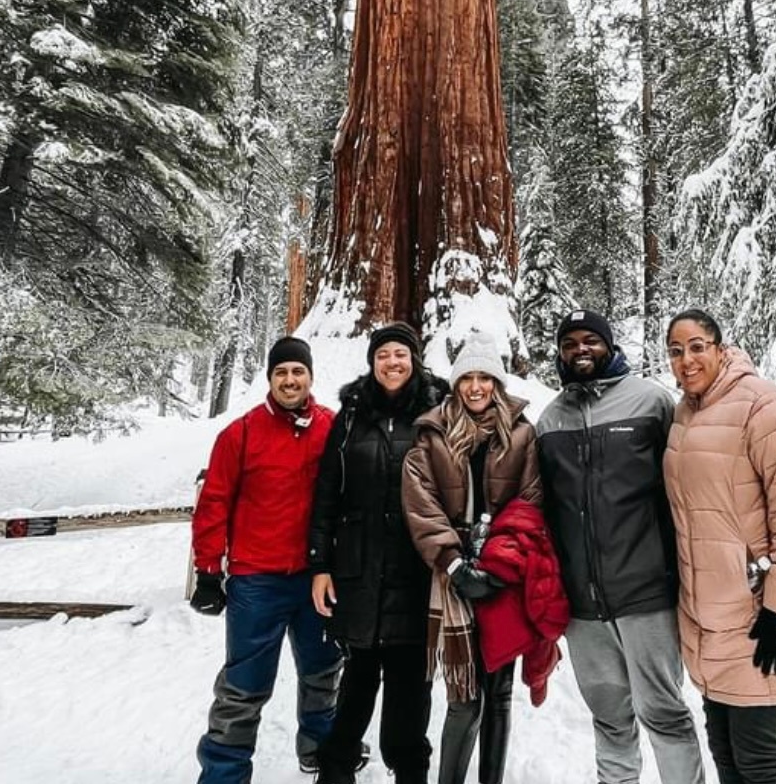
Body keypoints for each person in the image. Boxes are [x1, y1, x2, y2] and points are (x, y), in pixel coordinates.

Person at [663, 309, 776, 784]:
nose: (687, 359)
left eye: (697, 346)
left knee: (760, 761)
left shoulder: (765, 407)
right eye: (676, 351)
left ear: (720, 348)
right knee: (726, 755)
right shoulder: (683, 414)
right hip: (711, 620)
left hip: (762, 616)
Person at [535, 309, 705, 784]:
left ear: (609, 345)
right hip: (583, 607)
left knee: (664, 712)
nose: (580, 349)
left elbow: (688, 486)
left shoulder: (652, 402)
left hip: (646, 594)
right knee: (609, 719)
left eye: (591, 340)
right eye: (570, 343)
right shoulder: (550, 420)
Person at [191, 336, 342, 784]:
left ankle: (319, 747)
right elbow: (214, 503)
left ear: (310, 377)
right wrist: (206, 570)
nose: (290, 379)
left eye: (298, 371)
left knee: (323, 671)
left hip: (316, 579)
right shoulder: (240, 433)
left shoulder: (332, 429)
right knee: (244, 683)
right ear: (270, 379)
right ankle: (224, 770)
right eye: (281, 372)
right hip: (257, 581)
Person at [402, 331, 549, 784]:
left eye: (486, 377)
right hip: (452, 575)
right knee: (464, 695)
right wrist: (452, 563)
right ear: (456, 382)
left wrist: (503, 565)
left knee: (500, 691)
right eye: (468, 377)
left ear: (498, 383)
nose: (477, 387)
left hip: (504, 569)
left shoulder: (522, 434)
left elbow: (531, 501)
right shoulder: (432, 434)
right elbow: (420, 501)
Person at [308, 321, 448, 784]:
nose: (392, 362)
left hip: (416, 573)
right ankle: (335, 771)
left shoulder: (438, 410)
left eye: (401, 354)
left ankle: (410, 772)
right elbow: (327, 492)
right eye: (383, 354)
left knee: (411, 692)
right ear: (372, 362)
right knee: (356, 687)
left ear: (415, 360)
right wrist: (320, 564)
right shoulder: (351, 416)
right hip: (360, 572)